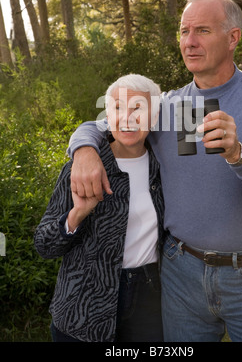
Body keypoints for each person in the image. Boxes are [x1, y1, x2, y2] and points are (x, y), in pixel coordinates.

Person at [67, 0, 242, 342]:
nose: (189, 42)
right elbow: (101, 125)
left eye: (202, 30)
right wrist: (84, 150)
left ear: (233, 37)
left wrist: (239, 154)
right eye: (183, 31)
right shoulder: (169, 105)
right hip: (180, 275)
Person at [34, 74, 165, 343]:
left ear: (154, 117)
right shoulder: (82, 167)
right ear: (108, 115)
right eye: (117, 108)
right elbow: (44, 244)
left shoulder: (163, 166)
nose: (126, 117)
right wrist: (77, 214)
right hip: (84, 304)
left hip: (149, 300)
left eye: (138, 108)